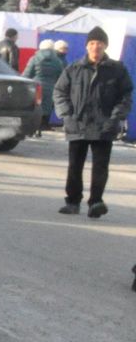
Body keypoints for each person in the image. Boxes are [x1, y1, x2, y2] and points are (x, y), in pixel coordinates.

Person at [53, 27, 133, 217]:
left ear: (105, 46)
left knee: (100, 167)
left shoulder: (117, 69)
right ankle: (72, 202)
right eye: (92, 43)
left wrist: (116, 117)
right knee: (75, 166)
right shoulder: (74, 68)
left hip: (104, 125)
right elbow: (59, 92)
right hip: (78, 124)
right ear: (87, 46)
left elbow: (125, 95)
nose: (95, 47)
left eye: (99, 43)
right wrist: (67, 115)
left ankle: (95, 202)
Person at [27, 39, 68, 129]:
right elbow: (61, 76)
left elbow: (27, 74)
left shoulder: (34, 59)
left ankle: (35, 125)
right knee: (48, 105)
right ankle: (45, 125)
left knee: (36, 105)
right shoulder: (57, 61)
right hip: (51, 86)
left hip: (36, 86)